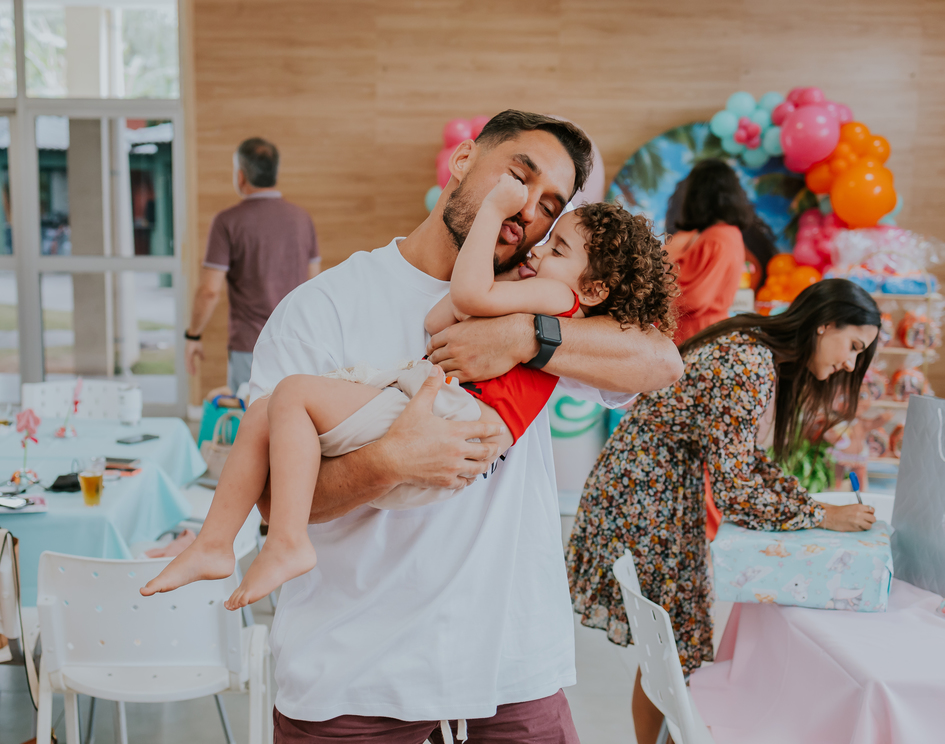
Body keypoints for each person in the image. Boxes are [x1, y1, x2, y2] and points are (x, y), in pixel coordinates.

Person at [181, 110, 680, 744]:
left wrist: (526, 340)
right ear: (464, 159)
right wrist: (392, 460)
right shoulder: (322, 307)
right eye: (517, 176)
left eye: (548, 206)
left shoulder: (546, 309)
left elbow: (662, 362)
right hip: (349, 669)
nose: (527, 210)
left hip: (508, 664)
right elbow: (272, 498)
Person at [140, 180, 678, 610]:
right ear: (464, 160)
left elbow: (465, 296)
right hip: (431, 400)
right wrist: (497, 297)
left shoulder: (559, 299)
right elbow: (441, 315)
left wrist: (493, 211)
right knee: (267, 412)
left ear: (593, 290)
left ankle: (284, 542)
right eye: (515, 180)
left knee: (293, 397)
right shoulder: (536, 295)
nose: (539, 248)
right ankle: (214, 544)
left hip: (450, 417)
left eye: (557, 246)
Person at [565, 278, 881, 744]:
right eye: (852, 346)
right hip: (646, 492)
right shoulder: (750, 363)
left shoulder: (754, 350)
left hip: (655, 484)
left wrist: (808, 505)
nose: (851, 363)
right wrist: (817, 514)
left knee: (668, 654)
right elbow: (736, 491)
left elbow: (745, 461)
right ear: (824, 324)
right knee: (667, 654)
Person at [184, 137, 321, 394]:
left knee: (250, 423)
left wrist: (193, 335)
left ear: (241, 176)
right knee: (289, 421)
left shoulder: (227, 222)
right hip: (297, 344)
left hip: (250, 347)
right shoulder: (302, 219)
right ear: (275, 173)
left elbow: (208, 292)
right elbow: (314, 284)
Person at [664, 159, 757, 344]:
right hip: (703, 332)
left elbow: (695, 298)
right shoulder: (727, 234)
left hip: (694, 336)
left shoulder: (716, 238)